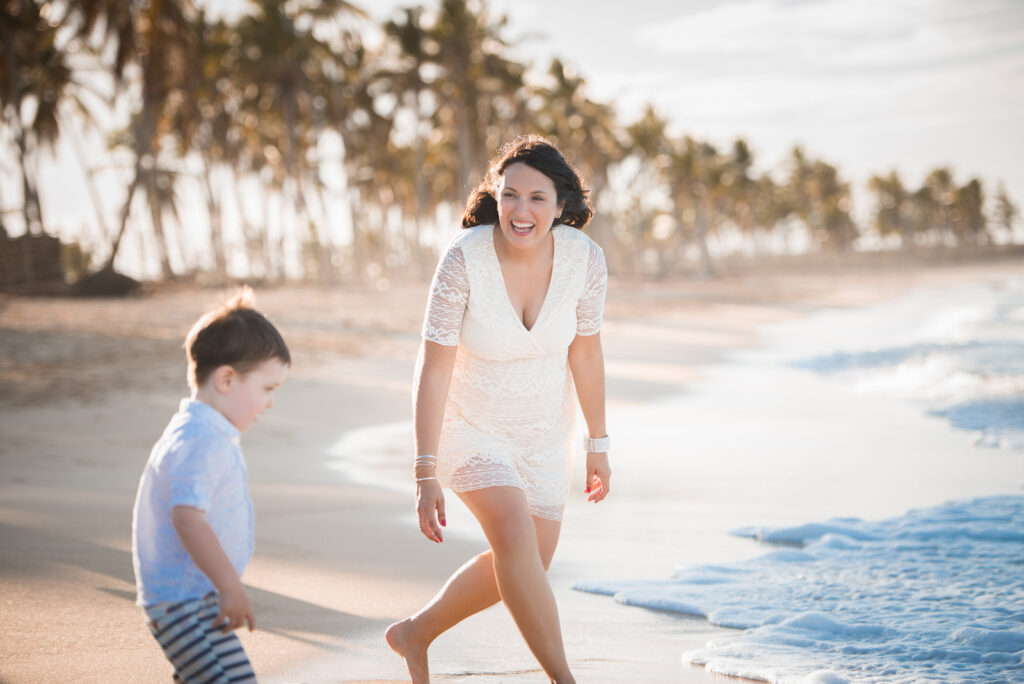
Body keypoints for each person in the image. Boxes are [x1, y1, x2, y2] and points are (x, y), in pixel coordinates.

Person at [386, 135, 611, 684]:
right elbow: (433, 366)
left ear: (561, 206)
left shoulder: (586, 260)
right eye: (510, 195)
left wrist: (597, 443)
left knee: (528, 562)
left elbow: (585, 353)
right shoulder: (463, 258)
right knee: (512, 533)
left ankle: (414, 633)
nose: (522, 210)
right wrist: (425, 468)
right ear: (494, 196)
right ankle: (567, 680)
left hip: (542, 433)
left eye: (538, 198)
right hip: (468, 423)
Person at [131, 289, 290, 683]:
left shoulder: (209, 432)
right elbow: (188, 519)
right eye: (267, 389)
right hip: (180, 601)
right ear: (226, 379)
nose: (270, 402)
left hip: (198, 597)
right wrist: (230, 587)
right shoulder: (198, 439)